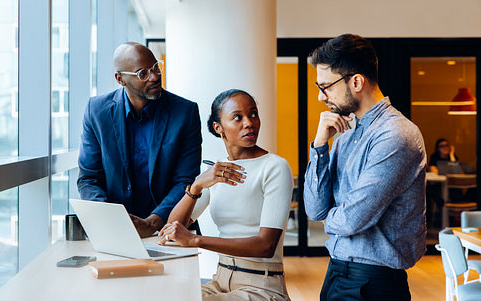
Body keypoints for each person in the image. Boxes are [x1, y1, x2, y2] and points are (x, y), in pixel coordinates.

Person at [303, 34, 427, 301]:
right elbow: (314, 209)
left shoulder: (396, 135)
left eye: (326, 87)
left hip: (374, 284)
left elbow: (352, 219)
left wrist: (332, 217)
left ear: (356, 81)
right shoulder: (344, 135)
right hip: (336, 272)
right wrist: (320, 145)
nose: (320, 96)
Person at [158, 89, 293, 301]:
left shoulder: (274, 167)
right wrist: (196, 186)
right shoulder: (218, 171)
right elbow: (172, 229)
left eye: (254, 114)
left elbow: (266, 246)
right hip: (219, 282)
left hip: (261, 287)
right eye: (237, 117)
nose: (249, 123)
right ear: (218, 127)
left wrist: (195, 240)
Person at [77, 42, 202, 237]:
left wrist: (153, 222)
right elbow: (89, 178)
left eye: (155, 68)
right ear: (120, 79)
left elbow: (185, 180)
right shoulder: (97, 111)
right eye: (143, 73)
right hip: (115, 232)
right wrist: (113, 220)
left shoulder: (185, 113)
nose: (155, 77)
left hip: (170, 230)